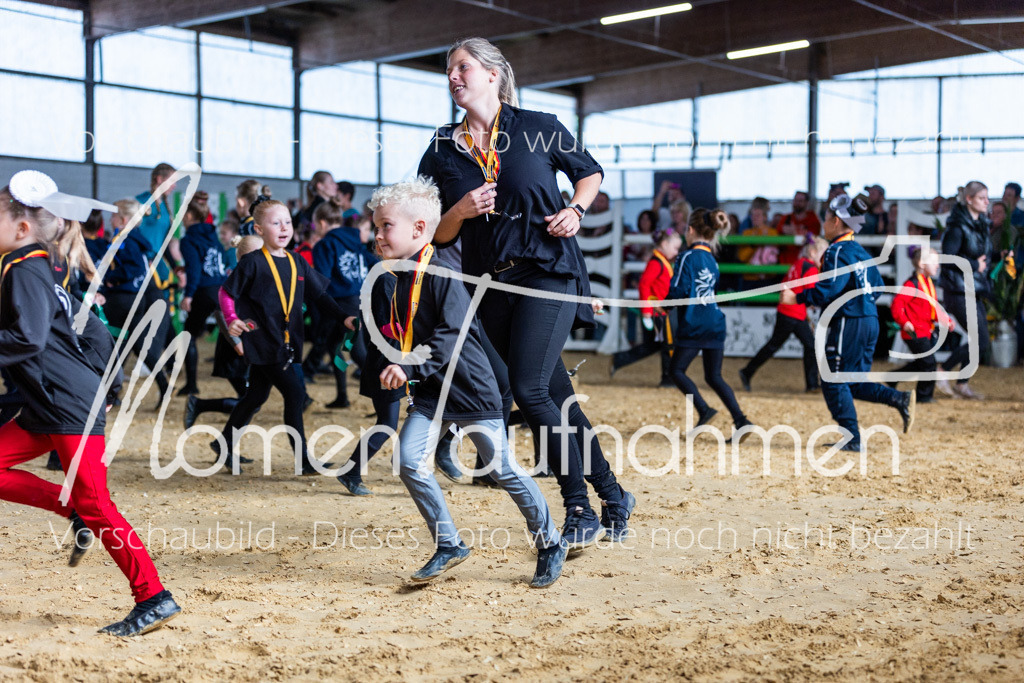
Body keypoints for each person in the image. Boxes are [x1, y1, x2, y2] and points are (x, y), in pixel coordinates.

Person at [417, 37, 634, 548]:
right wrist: (458, 212)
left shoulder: (538, 127)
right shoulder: (443, 148)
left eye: (463, 67)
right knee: (554, 394)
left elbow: (589, 172)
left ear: (493, 74)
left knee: (530, 390)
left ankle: (577, 507)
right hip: (490, 284)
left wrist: (576, 210)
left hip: (549, 270)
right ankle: (613, 492)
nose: (454, 76)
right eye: (449, 70)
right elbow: (432, 230)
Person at [0, 173, 180, 636]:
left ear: (22, 228)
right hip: (50, 401)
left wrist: (100, 383)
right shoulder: (39, 263)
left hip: (68, 404)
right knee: (78, 499)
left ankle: (154, 597)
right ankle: (70, 508)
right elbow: (89, 332)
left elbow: (27, 338)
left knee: (97, 504)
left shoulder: (25, 268)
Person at [371, 177, 567, 587]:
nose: (377, 234)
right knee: (408, 461)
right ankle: (449, 544)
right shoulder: (397, 278)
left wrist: (407, 367)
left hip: (470, 390)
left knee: (503, 470)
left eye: (385, 225)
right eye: (376, 226)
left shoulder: (441, 273)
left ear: (419, 229)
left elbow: (451, 333)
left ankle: (550, 541)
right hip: (430, 393)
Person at [217, 197, 356, 474]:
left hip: (287, 342)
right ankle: (303, 461)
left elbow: (321, 295)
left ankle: (223, 444)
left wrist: (344, 317)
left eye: (288, 222)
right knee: (295, 394)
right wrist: (232, 320)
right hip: (264, 342)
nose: (284, 227)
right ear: (258, 229)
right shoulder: (253, 263)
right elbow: (225, 292)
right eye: (275, 222)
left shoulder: (296, 262)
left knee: (255, 396)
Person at [780, 194, 915, 452]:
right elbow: (876, 287)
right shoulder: (861, 252)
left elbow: (828, 290)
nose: (824, 223)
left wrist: (796, 296)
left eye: (827, 218)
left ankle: (852, 438)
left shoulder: (836, 251)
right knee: (849, 380)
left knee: (833, 378)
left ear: (837, 221)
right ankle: (898, 398)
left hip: (848, 322)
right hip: (869, 319)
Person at [667, 209, 753, 439]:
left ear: (691, 230)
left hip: (694, 322)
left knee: (676, 370)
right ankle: (741, 420)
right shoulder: (712, 261)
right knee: (714, 376)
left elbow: (679, 291)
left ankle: (705, 409)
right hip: (715, 322)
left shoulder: (686, 257)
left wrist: (663, 306)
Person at [101, 198, 172, 403]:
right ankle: (116, 393)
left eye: (113, 216)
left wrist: (110, 278)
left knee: (119, 345)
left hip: (125, 299)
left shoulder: (126, 240)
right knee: (128, 345)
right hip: (132, 298)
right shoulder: (132, 238)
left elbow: (135, 268)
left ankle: (113, 393)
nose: (111, 219)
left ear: (123, 219)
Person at [739, 237, 827, 393]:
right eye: (822, 254)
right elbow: (812, 295)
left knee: (778, 345)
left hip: (787, 311)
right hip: (794, 313)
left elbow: (786, 285)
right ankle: (811, 384)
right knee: (806, 345)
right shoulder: (811, 269)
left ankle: (748, 371)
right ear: (813, 252)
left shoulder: (797, 264)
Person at [311, 196, 375, 409]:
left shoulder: (325, 245)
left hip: (342, 304)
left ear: (321, 223)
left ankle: (384, 403)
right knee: (333, 345)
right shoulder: (356, 242)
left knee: (359, 354)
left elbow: (322, 278)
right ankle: (342, 397)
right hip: (360, 300)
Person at [936, 181, 992, 399]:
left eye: (987, 198)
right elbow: (948, 258)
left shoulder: (981, 225)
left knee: (981, 340)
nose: (987, 202)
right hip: (957, 291)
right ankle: (943, 370)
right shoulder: (957, 227)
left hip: (973, 288)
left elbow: (982, 256)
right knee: (981, 340)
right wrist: (974, 264)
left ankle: (961, 382)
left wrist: (999, 256)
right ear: (969, 200)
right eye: (981, 198)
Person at [610, 227, 682, 385]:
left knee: (653, 345)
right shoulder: (657, 263)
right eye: (675, 248)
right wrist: (647, 312)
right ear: (664, 244)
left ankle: (620, 359)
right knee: (667, 344)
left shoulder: (660, 262)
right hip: (658, 313)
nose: (677, 252)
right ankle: (667, 379)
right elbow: (644, 285)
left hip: (659, 312)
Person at [889, 247, 955, 404]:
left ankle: (891, 378)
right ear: (921, 263)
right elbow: (897, 305)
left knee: (922, 363)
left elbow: (932, 308)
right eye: (934, 262)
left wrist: (945, 320)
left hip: (925, 330)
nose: (937, 266)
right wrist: (904, 322)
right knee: (929, 363)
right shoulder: (912, 285)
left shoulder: (927, 283)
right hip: (914, 332)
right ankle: (924, 396)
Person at [178, 194, 229, 396]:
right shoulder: (213, 237)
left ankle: (192, 384)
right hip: (221, 289)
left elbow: (195, 269)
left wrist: (188, 295)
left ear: (190, 215)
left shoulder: (188, 239)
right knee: (233, 337)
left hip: (203, 290)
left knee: (188, 336)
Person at [736, 205, 779, 289]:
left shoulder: (773, 233)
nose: (754, 217)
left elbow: (774, 255)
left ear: (765, 217)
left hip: (767, 276)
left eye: (758, 215)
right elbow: (742, 257)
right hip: (749, 277)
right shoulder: (746, 233)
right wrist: (753, 244)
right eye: (752, 215)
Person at [774, 191, 821, 264]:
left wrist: (794, 232)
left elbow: (814, 238)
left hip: (805, 263)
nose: (797, 203)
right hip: (785, 262)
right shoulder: (786, 218)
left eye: (800, 201)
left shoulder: (813, 219)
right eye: (796, 200)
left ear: (806, 203)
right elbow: (777, 235)